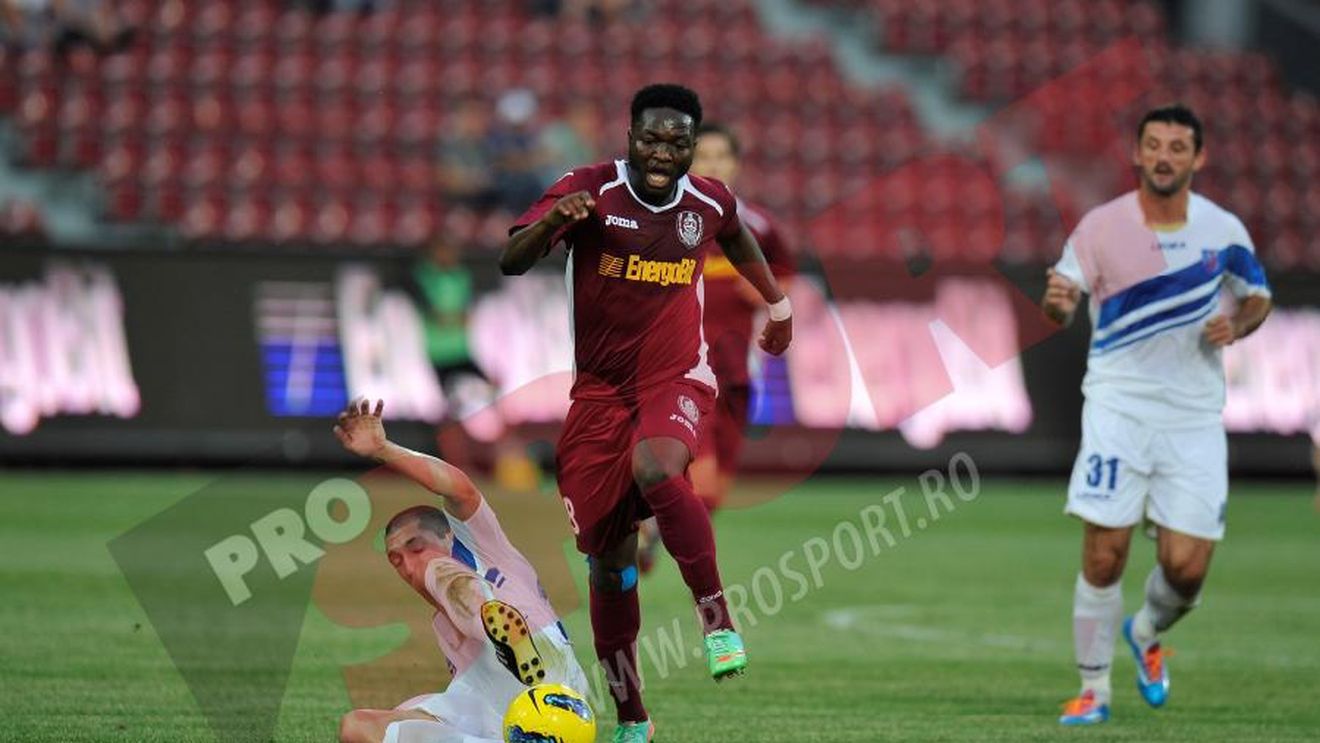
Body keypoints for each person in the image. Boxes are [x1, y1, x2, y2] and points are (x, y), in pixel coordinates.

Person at [500, 83, 793, 742]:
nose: (664, 152)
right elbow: (510, 257)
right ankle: (634, 719)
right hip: (599, 396)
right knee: (609, 564)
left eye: (678, 141)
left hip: (676, 375)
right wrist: (552, 222)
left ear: (691, 144)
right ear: (629, 136)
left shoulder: (707, 200)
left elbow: (739, 236)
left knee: (660, 466)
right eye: (652, 138)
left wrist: (778, 306)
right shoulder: (590, 189)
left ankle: (716, 619)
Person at [1043, 104, 1272, 726]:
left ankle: (1144, 632)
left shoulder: (1222, 229)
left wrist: (1241, 323)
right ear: (1137, 154)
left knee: (1186, 570)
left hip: (1193, 417)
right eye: (1154, 145)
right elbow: (1062, 302)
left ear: (1197, 158)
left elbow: (1259, 296)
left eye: (1178, 147)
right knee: (1103, 552)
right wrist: (1060, 302)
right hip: (1117, 408)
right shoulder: (1101, 227)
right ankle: (1094, 690)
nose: (1165, 156)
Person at [333, 398, 588, 743]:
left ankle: (499, 630)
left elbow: (458, 486)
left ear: (449, 535)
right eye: (396, 559)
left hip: (549, 680)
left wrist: (384, 449)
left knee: (441, 572)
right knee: (359, 727)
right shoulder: (443, 623)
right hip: (491, 701)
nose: (410, 564)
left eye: (417, 547)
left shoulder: (481, 544)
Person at [638, 121, 795, 572]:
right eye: (702, 157)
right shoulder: (668, 220)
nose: (712, 165)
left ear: (736, 164)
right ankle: (697, 577)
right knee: (700, 478)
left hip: (737, 371)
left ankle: (648, 525)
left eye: (720, 157)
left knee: (715, 492)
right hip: (682, 370)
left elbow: (784, 276)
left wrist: (772, 293)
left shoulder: (759, 227)